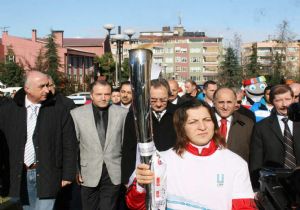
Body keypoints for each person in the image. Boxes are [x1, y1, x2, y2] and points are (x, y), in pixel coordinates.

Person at [126, 100, 256, 210]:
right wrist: (141, 186)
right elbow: (136, 206)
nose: (202, 127)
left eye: (207, 120)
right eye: (193, 122)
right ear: (181, 127)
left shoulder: (235, 162)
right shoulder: (162, 160)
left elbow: (243, 207)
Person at [0, 71, 77, 210]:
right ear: (27, 89)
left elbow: (69, 143)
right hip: (19, 175)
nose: (47, 90)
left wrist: (68, 174)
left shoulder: (58, 110)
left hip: (48, 173)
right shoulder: (7, 111)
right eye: (42, 86)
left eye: (47, 85)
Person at [70, 80, 128, 210]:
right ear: (91, 95)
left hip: (113, 172)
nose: (103, 98)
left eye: (107, 94)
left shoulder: (122, 114)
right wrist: (76, 170)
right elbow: (73, 146)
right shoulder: (77, 114)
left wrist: (126, 172)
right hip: (87, 172)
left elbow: (126, 145)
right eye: (99, 94)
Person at [121, 79, 177, 185]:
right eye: (153, 100)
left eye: (163, 100)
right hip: (145, 173)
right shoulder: (135, 115)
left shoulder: (179, 114)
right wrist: (126, 178)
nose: (159, 104)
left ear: (169, 96)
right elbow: (128, 148)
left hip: (172, 172)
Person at [250, 84, 300, 189]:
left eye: (287, 99)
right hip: (275, 185)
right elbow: (256, 160)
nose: (284, 104)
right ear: (272, 101)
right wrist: (256, 188)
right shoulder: (261, 127)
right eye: (279, 100)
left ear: (293, 99)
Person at [213, 87, 254, 163]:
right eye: (221, 102)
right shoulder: (203, 121)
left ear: (235, 103)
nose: (225, 107)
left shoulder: (248, 124)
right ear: (214, 102)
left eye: (229, 102)